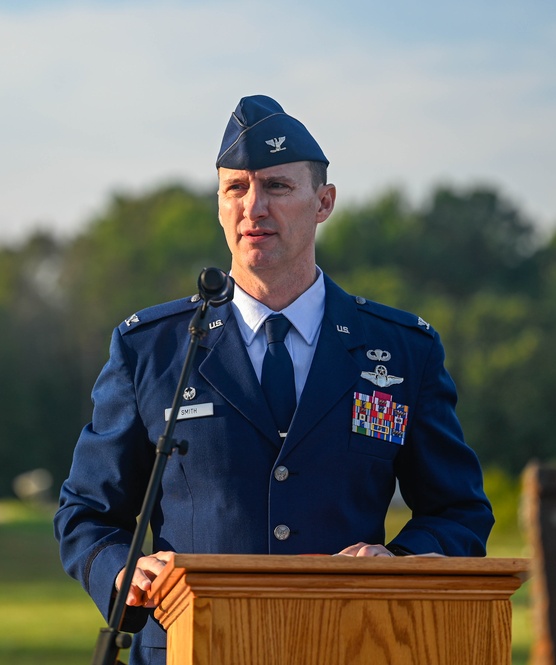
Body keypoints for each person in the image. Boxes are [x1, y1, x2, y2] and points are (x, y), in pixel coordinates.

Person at [54, 94, 494, 665]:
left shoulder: (403, 350)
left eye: (278, 188)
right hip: (190, 649)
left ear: (324, 202)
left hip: (348, 645)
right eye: (236, 188)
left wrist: (401, 564)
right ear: (218, 204)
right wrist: (124, 573)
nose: (253, 208)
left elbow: (459, 513)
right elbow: (86, 511)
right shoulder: (154, 348)